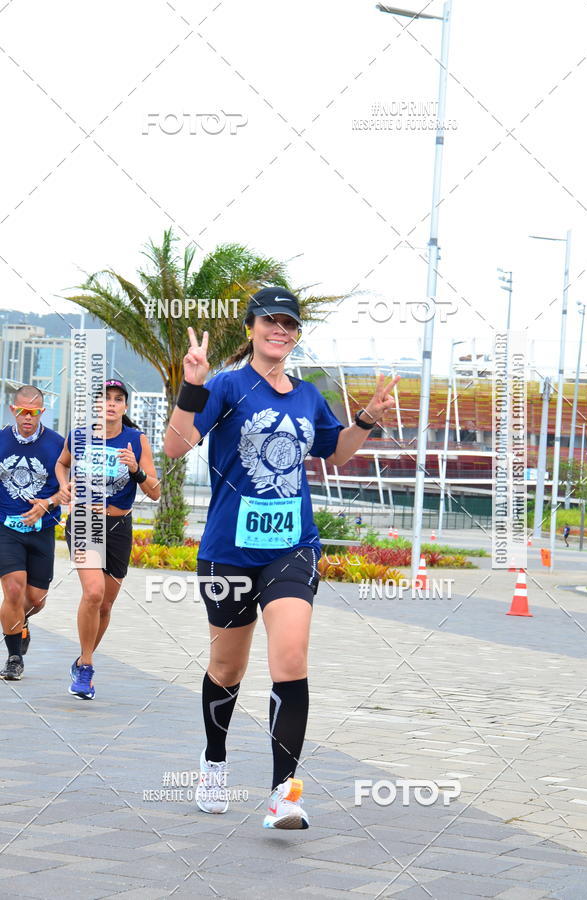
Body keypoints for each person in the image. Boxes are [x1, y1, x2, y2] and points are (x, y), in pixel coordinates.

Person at [164, 287, 399, 829]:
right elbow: (176, 447)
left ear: (295, 334)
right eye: (270, 320)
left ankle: (283, 793)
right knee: (228, 667)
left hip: (293, 547)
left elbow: (333, 451)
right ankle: (215, 762)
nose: (280, 330)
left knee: (290, 658)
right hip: (229, 551)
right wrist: (191, 387)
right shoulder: (225, 385)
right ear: (251, 328)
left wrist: (363, 420)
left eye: (289, 324)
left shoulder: (308, 395)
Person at [55, 378, 160, 699]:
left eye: (118, 399)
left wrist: (136, 471)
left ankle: (81, 659)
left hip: (118, 528)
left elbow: (154, 492)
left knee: (106, 604)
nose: (111, 404)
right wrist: (63, 486)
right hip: (85, 521)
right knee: (94, 593)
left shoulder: (136, 440)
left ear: (125, 406)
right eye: (105, 399)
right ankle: (86, 666)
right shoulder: (80, 436)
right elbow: (62, 463)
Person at [0, 386, 67, 681]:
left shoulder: (57, 444)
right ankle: (14, 657)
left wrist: (48, 503)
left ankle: (19, 621)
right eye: (23, 411)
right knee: (13, 589)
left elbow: (71, 485)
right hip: (6, 528)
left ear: (43, 412)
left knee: (36, 599)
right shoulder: (0, 440)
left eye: (35, 412)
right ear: (14, 410)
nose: (29, 417)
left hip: (43, 529)